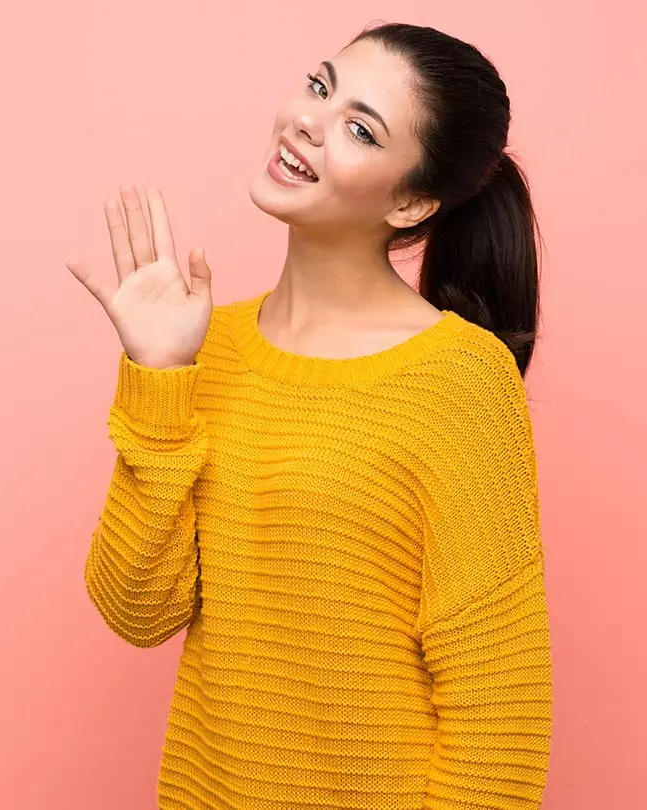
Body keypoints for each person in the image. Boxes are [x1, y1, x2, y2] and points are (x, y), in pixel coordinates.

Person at [68, 21, 553, 810]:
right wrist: (159, 375)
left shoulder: (462, 380)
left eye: (360, 128)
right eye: (320, 87)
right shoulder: (204, 343)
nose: (308, 122)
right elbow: (136, 612)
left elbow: (500, 713)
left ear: (412, 201)